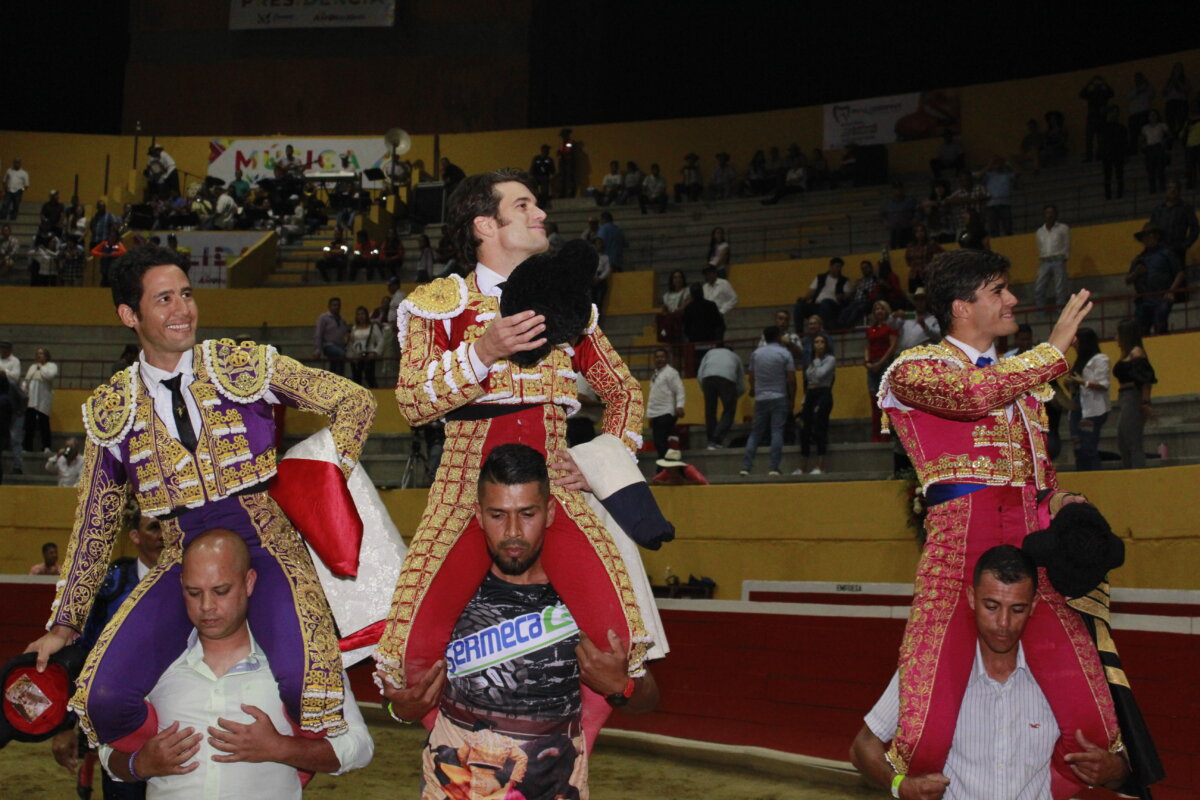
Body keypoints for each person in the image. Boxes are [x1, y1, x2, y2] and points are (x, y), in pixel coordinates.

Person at [23, 245, 376, 757]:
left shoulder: (242, 364)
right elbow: (95, 527)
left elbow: (354, 401)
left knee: (308, 689)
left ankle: (284, 765)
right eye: (164, 299)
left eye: (186, 294)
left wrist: (319, 480)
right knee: (101, 698)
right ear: (130, 315)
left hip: (266, 542)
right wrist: (63, 626)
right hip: (181, 551)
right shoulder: (111, 409)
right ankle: (173, 757)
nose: (183, 309)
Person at [373, 169, 659, 744]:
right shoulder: (439, 305)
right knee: (407, 661)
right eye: (524, 205)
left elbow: (624, 392)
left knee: (617, 646)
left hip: (555, 486)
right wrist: (484, 351)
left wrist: (606, 456)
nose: (541, 215)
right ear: (485, 224)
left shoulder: (567, 307)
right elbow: (412, 403)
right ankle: (461, 753)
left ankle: (557, 746)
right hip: (465, 490)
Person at [875, 249, 1126, 798]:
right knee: (923, 739)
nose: (1012, 299)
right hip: (960, 544)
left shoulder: (1022, 386)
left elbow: (1041, 475)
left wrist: (1066, 505)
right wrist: (1052, 351)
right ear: (962, 307)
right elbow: (970, 398)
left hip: (1034, 547)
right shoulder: (913, 369)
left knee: (1097, 728)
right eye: (998, 291)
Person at [378, 445, 658, 800]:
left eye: (527, 513)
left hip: (553, 785)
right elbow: (397, 700)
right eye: (498, 515)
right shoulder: (442, 591)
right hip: (455, 784)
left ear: (550, 512)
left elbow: (647, 699)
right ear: (477, 514)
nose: (512, 532)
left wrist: (623, 686)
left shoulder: (586, 592)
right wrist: (401, 709)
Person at [100, 530, 373, 798]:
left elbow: (359, 747)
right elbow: (106, 749)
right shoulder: (152, 662)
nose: (207, 606)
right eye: (194, 593)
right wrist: (140, 764)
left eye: (221, 591)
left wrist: (281, 748)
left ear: (249, 582)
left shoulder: (301, 662)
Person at [851, 545, 1131, 800]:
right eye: (992, 606)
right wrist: (899, 785)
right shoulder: (927, 669)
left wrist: (1114, 770)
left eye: (1017, 609)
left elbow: (1123, 772)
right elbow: (863, 745)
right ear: (972, 598)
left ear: (1033, 606)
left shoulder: (1067, 678)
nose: (1003, 623)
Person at [739, 326, 795, 477]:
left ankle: (746, 467)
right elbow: (791, 379)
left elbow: (751, 376)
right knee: (777, 431)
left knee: (756, 433)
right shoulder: (784, 353)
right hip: (779, 396)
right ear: (778, 336)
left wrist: (755, 389)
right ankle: (773, 467)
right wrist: (792, 398)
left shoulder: (756, 354)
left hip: (761, 397)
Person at [1114, 319, 1157, 469]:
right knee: (1123, 439)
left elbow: (1146, 379)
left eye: (1118, 334)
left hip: (1133, 396)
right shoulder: (1128, 353)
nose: (1116, 338)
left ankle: (1136, 471)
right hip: (1125, 396)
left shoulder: (1136, 352)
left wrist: (1145, 402)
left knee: (1132, 439)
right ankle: (1129, 469)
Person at [1126, 222, 1183, 335]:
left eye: (1149, 235)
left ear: (1156, 236)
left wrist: (1171, 291)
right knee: (1139, 328)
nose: (1147, 238)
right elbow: (1128, 280)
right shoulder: (1139, 259)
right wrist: (1136, 274)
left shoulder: (1166, 254)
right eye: (1145, 236)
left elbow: (1180, 273)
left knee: (1160, 323)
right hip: (1144, 299)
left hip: (1162, 296)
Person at [1065, 327, 1109, 472]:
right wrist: (1070, 384)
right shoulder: (1079, 361)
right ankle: (1082, 475)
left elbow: (1103, 385)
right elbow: (1076, 388)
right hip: (1077, 406)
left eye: (1076, 341)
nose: (1073, 345)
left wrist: (1082, 382)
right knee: (1078, 448)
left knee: (1089, 446)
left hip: (1092, 409)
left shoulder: (1100, 359)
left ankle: (1094, 474)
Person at [795, 333, 834, 476]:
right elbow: (809, 378)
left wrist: (817, 361)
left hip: (823, 393)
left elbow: (819, 375)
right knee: (804, 429)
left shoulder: (830, 359)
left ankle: (821, 464)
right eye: (816, 342)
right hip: (811, 394)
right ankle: (803, 465)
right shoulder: (811, 361)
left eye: (821, 342)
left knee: (819, 428)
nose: (818, 345)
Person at [697, 342, 743, 450]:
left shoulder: (709, 353)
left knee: (710, 411)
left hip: (707, 379)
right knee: (729, 410)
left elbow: (699, 374)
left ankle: (710, 441)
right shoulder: (735, 356)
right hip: (726, 379)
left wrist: (704, 389)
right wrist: (735, 396)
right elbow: (741, 384)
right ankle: (716, 439)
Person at [865, 301, 897, 442]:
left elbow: (892, 346)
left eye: (881, 308)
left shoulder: (890, 327)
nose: (878, 311)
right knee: (874, 400)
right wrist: (867, 361)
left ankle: (885, 434)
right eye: (876, 308)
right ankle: (875, 434)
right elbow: (867, 346)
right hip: (872, 365)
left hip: (884, 364)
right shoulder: (870, 329)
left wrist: (880, 362)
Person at [1147, 179, 1199, 265]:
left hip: (1177, 249)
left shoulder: (1186, 208)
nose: (1172, 190)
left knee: (1178, 274)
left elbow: (1195, 228)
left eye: (1175, 188)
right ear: (1166, 191)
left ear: (1179, 191)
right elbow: (1151, 228)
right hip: (1160, 249)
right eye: (1170, 188)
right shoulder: (1158, 209)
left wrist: (1185, 245)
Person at [647, 348, 686, 459]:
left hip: (667, 411)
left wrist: (679, 406)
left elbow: (679, 390)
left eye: (662, 357)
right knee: (659, 442)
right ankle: (664, 466)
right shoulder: (655, 374)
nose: (660, 359)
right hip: (656, 413)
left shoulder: (671, 373)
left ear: (667, 358)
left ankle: (664, 467)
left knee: (661, 441)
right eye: (657, 357)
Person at [1035, 204, 1071, 312]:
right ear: (1044, 215)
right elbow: (1040, 246)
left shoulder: (1063, 228)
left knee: (1060, 288)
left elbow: (1067, 244)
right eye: (1047, 213)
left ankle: (1060, 310)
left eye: (1051, 213)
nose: (1049, 215)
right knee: (1039, 286)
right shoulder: (1039, 231)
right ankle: (1040, 309)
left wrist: (1064, 257)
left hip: (1058, 259)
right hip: (1045, 261)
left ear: (1056, 214)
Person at [21, 346, 56, 454]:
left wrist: (41, 367)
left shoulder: (51, 366)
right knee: (29, 424)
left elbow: (49, 376)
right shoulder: (32, 366)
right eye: (38, 354)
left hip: (43, 398)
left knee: (43, 423)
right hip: (32, 398)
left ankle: (46, 446)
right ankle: (27, 447)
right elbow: (27, 379)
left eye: (42, 353)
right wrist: (24, 388)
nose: (39, 356)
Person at [797, 257, 849, 330]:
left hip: (834, 307)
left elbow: (848, 295)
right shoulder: (820, 278)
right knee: (799, 306)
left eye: (840, 267)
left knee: (825, 302)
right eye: (837, 266)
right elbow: (812, 292)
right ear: (831, 266)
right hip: (818, 305)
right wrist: (803, 299)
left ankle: (825, 329)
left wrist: (842, 297)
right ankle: (799, 332)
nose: (839, 269)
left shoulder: (844, 281)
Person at [890, 288, 940, 352]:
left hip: (918, 355)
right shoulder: (909, 315)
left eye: (922, 299)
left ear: (927, 302)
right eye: (917, 300)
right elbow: (892, 325)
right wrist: (894, 315)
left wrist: (924, 326)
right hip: (902, 353)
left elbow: (938, 336)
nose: (919, 302)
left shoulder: (932, 319)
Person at [346, 305, 384, 389]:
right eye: (359, 314)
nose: (361, 316)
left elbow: (380, 340)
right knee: (356, 378)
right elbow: (352, 341)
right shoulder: (354, 328)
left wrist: (375, 352)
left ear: (366, 315)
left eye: (362, 314)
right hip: (356, 356)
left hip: (369, 355)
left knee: (369, 377)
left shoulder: (373, 327)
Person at [1079, 76, 1114, 163]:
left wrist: (1104, 83)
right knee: (1089, 138)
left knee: (1100, 138)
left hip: (1100, 117)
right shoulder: (1092, 93)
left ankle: (1099, 155)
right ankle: (1090, 157)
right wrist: (1089, 82)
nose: (1097, 84)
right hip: (1092, 118)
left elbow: (1112, 93)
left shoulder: (1104, 93)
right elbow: (1081, 94)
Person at [314, 296, 350, 376]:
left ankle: (335, 379)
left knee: (335, 363)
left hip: (340, 346)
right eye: (334, 305)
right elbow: (319, 333)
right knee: (341, 354)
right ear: (329, 306)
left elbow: (346, 333)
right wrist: (317, 350)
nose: (336, 307)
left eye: (338, 305)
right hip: (328, 345)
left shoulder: (342, 320)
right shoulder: (323, 318)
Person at [1097, 106, 1127, 200]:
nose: (1115, 115)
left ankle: (1119, 194)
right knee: (1108, 176)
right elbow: (1101, 141)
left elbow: (1124, 142)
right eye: (1113, 113)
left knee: (1119, 174)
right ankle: (1108, 195)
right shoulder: (1103, 127)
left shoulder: (1121, 127)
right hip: (1108, 154)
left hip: (1117, 154)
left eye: (1116, 113)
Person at [904, 223, 943, 292]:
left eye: (921, 231)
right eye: (917, 231)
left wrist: (933, 265)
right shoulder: (910, 246)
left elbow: (942, 253)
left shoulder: (930, 244)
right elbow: (907, 259)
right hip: (914, 275)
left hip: (926, 275)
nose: (920, 233)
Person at [1139, 110, 1171, 194]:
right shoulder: (1145, 127)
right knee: (1150, 170)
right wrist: (1143, 145)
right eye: (1151, 115)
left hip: (1159, 147)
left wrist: (1165, 141)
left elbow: (1169, 135)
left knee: (1161, 169)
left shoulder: (1161, 125)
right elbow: (1142, 139)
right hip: (1149, 148)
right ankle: (1152, 190)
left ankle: (1162, 188)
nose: (1153, 117)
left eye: (1154, 115)